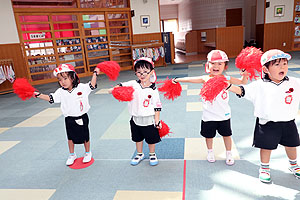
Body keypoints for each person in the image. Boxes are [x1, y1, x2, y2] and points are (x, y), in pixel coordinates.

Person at [228, 49, 300, 182]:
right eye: (277, 65)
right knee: (266, 147)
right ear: (266, 69)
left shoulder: (294, 82)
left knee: (292, 145)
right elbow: (242, 91)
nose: (282, 67)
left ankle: (294, 165)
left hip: (288, 121)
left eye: (284, 63)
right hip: (267, 123)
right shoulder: (259, 85)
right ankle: (264, 168)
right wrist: (227, 86)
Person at [173, 50, 248, 165]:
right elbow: (190, 79)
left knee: (227, 135)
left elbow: (242, 83)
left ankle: (229, 153)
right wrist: (177, 80)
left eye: (220, 64)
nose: (216, 66)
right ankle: (210, 151)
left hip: (224, 115)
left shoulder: (227, 79)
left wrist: (245, 75)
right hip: (208, 116)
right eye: (213, 63)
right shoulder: (205, 78)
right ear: (208, 65)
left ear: (225, 66)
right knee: (209, 136)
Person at [33, 63, 99, 166]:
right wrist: (39, 95)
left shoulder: (81, 87)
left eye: (65, 78)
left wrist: (95, 73)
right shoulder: (60, 92)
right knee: (70, 138)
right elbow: (51, 98)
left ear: (73, 77)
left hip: (82, 117)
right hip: (69, 119)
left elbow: (92, 85)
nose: (62, 82)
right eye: (60, 80)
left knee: (85, 136)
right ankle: (72, 154)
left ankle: (87, 152)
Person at [109, 57, 162, 166]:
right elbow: (121, 85)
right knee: (137, 138)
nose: (142, 75)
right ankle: (139, 154)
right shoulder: (133, 84)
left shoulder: (153, 90)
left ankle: (152, 154)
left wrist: (157, 121)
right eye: (139, 72)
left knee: (151, 139)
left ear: (151, 72)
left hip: (148, 119)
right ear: (135, 73)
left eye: (145, 72)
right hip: (135, 118)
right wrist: (114, 90)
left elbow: (157, 106)